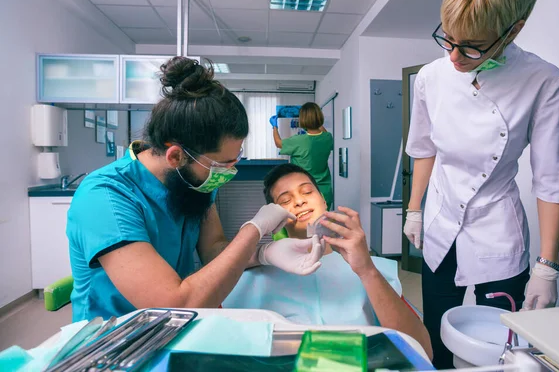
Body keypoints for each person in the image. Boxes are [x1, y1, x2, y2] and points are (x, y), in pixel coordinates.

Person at [403, 0, 559, 368]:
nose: (453, 56)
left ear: (512, 31)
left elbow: (553, 177)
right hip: (440, 216)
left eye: (470, 47)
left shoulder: (544, 81)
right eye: (448, 39)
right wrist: (414, 208)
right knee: (436, 331)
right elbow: (423, 147)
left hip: (496, 226)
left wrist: (547, 266)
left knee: (502, 344)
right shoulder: (432, 77)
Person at [67, 57, 324, 322]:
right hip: (114, 341)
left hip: (174, 327)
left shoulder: (191, 181)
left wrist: (263, 254)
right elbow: (175, 302)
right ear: (175, 156)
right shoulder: (106, 198)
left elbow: (213, 249)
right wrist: (254, 230)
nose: (229, 172)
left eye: (236, 158)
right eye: (222, 163)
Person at [223, 164, 433, 360]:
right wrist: (259, 254)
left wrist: (367, 270)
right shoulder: (255, 275)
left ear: (323, 199)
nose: (299, 201)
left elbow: (422, 351)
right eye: (285, 200)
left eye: (307, 192)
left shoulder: (371, 269)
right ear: (275, 216)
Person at [270, 102, 333, 210]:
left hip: (304, 191)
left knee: (304, 224)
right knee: (323, 222)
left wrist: (274, 126)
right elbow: (322, 131)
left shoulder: (299, 140)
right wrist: (314, 120)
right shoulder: (327, 137)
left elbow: (278, 143)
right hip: (324, 191)